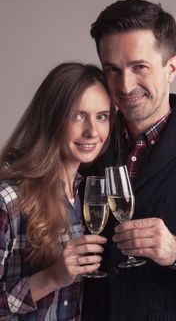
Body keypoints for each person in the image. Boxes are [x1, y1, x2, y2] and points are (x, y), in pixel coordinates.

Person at [81, 0, 176, 321]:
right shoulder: (87, 147)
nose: (125, 86)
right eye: (113, 69)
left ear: (172, 68)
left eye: (139, 67)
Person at [0, 62, 115, 320]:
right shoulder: (8, 200)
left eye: (102, 116)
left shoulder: (86, 197)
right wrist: (51, 277)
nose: (92, 131)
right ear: (51, 118)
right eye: (77, 115)